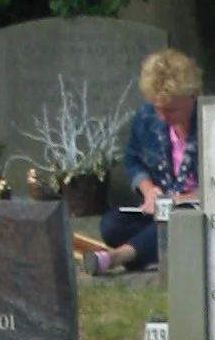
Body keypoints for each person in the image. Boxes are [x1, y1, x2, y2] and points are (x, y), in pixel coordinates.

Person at [81, 48, 201, 277]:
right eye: (158, 109)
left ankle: (117, 257)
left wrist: (181, 200)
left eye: (171, 109)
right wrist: (149, 191)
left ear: (192, 96)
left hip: (197, 212)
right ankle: (154, 253)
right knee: (112, 225)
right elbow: (133, 159)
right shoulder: (146, 118)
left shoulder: (213, 123)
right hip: (159, 208)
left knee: (181, 223)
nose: (163, 117)